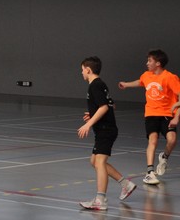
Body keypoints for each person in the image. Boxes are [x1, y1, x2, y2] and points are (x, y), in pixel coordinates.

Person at [77, 57, 137, 210]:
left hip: (106, 130)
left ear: (88, 70)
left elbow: (104, 107)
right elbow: (111, 105)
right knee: (94, 161)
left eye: (82, 69)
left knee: (100, 162)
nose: (81, 72)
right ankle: (126, 184)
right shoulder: (100, 84)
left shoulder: (95, 85)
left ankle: (100, 199)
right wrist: (92, 114)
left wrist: (88, 124)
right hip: (104, 129)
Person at [118, 49, 180, 185]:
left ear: (158, 63)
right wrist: (126, 84)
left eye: (149, 61)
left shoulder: (170, 77)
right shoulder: (146, 75)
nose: (147, 63)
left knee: (172, 140)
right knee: (153, 140)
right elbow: (140, 82)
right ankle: (150, 172)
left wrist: (176, 118)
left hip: (167, 114)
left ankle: (164, 157)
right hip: (151, 113)